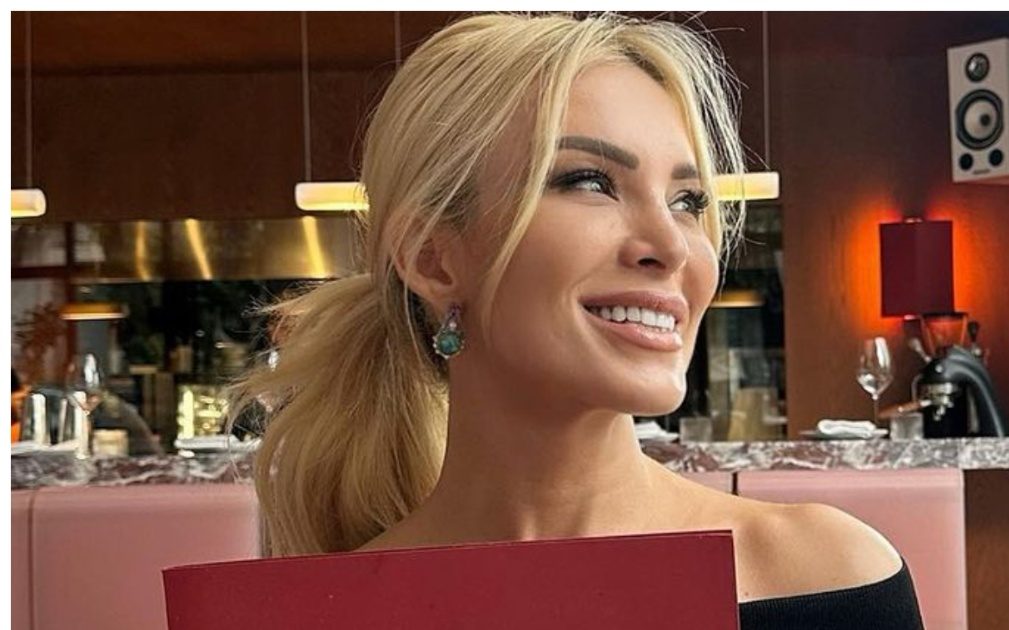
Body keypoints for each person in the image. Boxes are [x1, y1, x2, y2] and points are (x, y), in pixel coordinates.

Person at [225, 12, 922, 628]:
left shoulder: (827, 579)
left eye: (686, 201)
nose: (673, 245)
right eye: (590, 182)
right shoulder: (322, 614)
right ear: (433, 259)